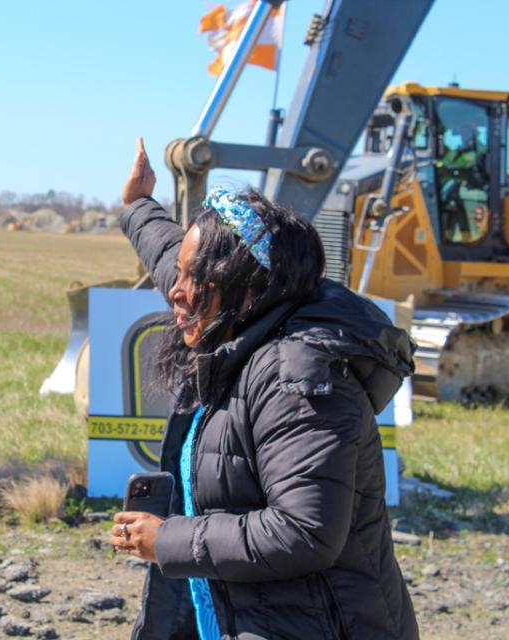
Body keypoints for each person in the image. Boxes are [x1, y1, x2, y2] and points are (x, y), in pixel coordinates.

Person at [108, 139, 419, 639]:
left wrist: (167, 539)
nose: (175, 290)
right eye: (181, 275)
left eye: (195, 277)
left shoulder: (296, 377)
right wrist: (139, 204)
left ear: (246, 289)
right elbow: (173, 255)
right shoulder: (238, 317)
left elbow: (304, 531)